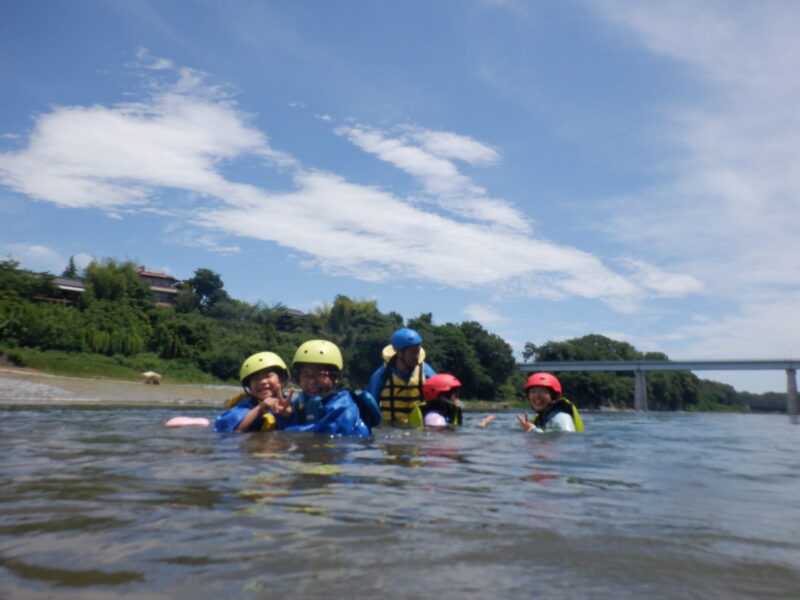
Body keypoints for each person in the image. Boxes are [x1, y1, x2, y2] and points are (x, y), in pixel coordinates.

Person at [283, 339, 372, 437]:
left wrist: (282, 433)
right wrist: (285, 416)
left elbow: (327, 431)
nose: (312, 381)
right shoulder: (301, 401)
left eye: (318, 374)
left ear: (336, 377)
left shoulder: (343, 404)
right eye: (305, 375)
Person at [367, 327, 437, 424]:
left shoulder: (427, 373)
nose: (417, 356)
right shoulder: (381, 376)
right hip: (390, 431)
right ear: (399, 352)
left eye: (418, 351)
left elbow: (440, 402)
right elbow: (369, 408)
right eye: (413, 352)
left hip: (418, 431)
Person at [214, 351, 293, 433]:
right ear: (249, 387)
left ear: (281, 379)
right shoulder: (245, 405)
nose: (262, 382)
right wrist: (260, 408)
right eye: (256, 378)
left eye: (268, 376)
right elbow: (237, 431)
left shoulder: (291, 403)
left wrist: (287, 412)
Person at [410, 373, 496, 428]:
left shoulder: (445, 414)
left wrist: (482, 424)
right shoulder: (434, 418)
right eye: (455, 394)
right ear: (442, 396)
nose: (457, 398)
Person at [516, 372, 584, 433]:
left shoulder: (561, 418)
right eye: (533, 392)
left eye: (542, 391)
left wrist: (534, 430)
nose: (537, 396)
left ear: (553, 396)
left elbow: (565, 441)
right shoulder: (541, 417)